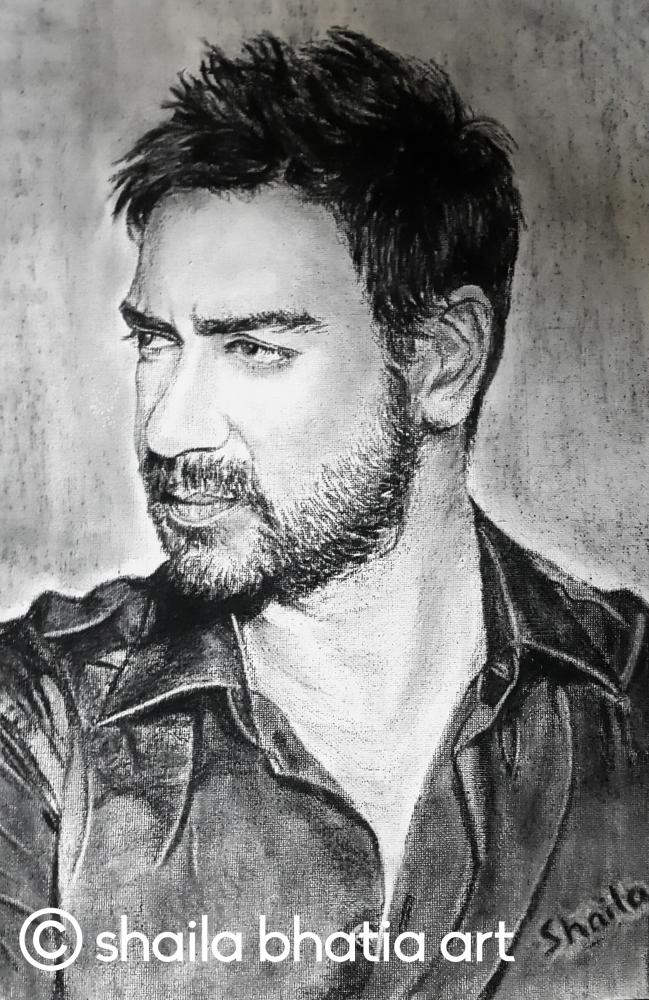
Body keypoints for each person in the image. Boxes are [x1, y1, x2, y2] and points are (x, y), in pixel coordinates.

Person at [1, 28, 648, 1000]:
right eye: (155, 343)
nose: (171, 427)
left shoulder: (628, 699)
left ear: (442, 362)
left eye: (253, 348)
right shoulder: (37, 722)